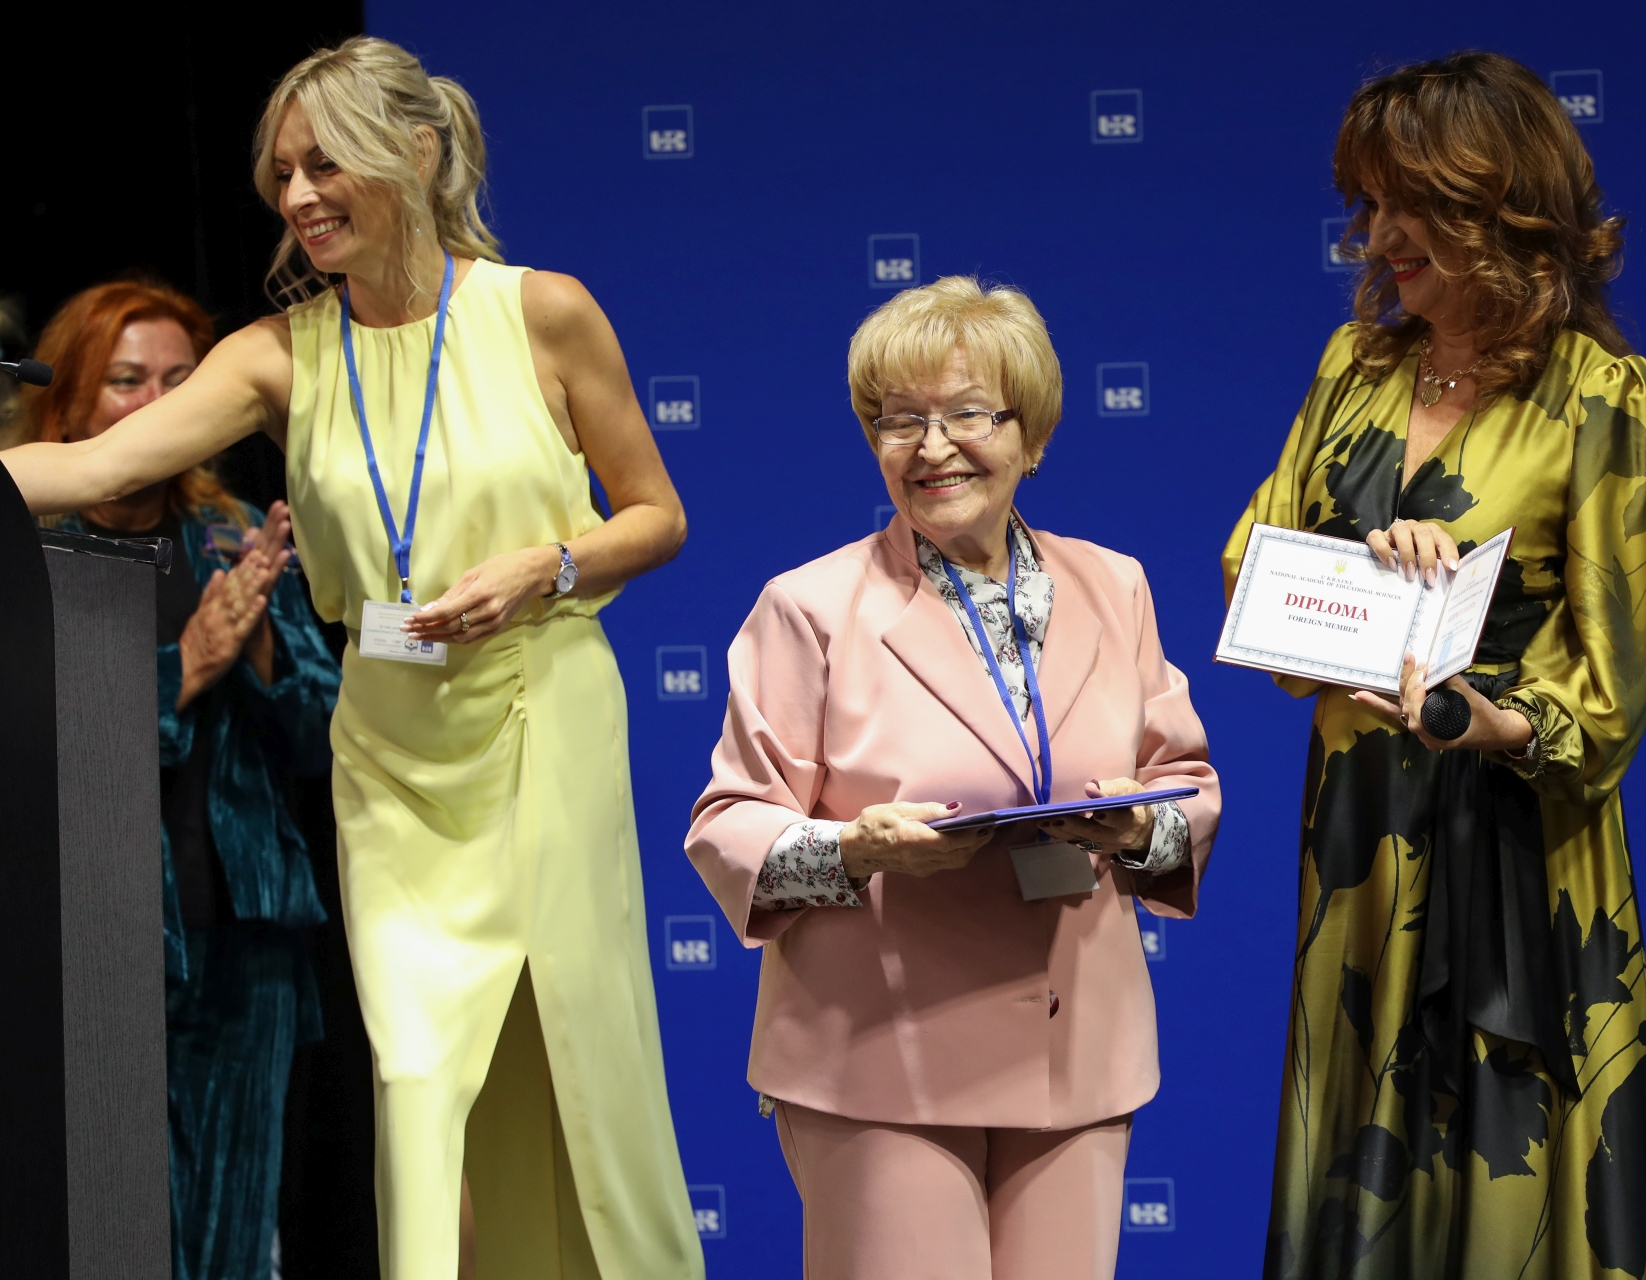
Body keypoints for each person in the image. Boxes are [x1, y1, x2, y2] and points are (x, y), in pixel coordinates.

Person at [2, 37, 704, 1280]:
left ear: (418, 152)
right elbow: (97, 465)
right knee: (419, 1079)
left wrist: (545, 566)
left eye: (325, 163)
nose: (298, 195)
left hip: (541, 712)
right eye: (282, 172)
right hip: (390, 751)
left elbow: (655, 515)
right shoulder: (280, 352)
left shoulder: (542, 311)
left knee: (574, 1056)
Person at [1223, 52, 1646, 1278]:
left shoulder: (1604, 396)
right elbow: (1249, 566)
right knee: (1357, 1163)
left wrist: (1488, 719)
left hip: (1512, 846)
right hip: (1362, 844)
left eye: (1407, 204)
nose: (1376, 236)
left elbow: (1609, 689)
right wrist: (1367, 564)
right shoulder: (1353, 368)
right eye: (1368, 204)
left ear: (1496, 207)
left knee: (1507, 1170)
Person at [687, 275, 1221, 1279]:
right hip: (880, 1055)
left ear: (1032, 435)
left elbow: (1182, 778)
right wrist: (854, 848)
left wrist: (1135, 830)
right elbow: (730, 820)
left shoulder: (1116, 584)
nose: (932, 448)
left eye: (968, 414)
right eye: (900, 421)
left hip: (1078, 1045)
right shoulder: (809, 606)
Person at [24, 278, 339, 1280]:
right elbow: (36, 752)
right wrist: (184, 669)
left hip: (245, 940)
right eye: (127, 380)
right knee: (108, 1230)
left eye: (180, 381)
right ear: (69, 400)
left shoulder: (232, 531)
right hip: (87, 942)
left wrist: (257, 647)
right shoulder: (33, 546)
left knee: (236, 1237)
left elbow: (324, 734)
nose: (157, 404)